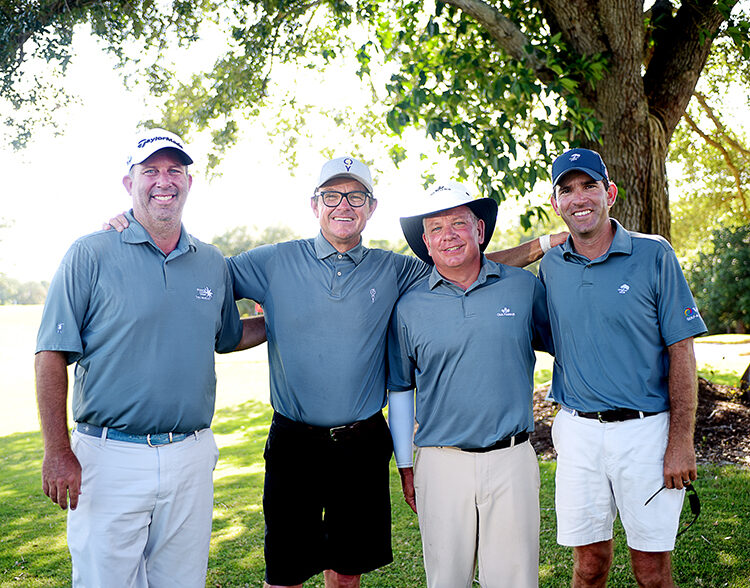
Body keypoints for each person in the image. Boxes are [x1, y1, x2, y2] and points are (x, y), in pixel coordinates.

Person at [108, 155, 565, 587]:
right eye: (331, 196)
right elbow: (198, 280)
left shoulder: (394, 270)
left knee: (348, 571)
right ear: (314, 205)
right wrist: (134, 230)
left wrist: (543, 244)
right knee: (284, 571)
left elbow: (465, 265)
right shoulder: (272, 261)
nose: (343, 206)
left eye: (355, 197)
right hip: (293, 440)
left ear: (371, 208)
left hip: (361, 442)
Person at [35, 128, 264, 587]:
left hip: (191, 455)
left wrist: (291, 321)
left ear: (188, 183)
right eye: (151, 171)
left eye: (174, 171)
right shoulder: (90, 253)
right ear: (129, 183)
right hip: (109, 456)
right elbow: (50, 355)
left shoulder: (211, 261)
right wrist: (57, 450)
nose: (164, 181)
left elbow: (229, 336)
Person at [539, 148, 708, 588]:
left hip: (646, 434)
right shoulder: (551, 266)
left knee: (651, 572)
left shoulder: (654, 254)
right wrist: (541, 244)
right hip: (578, 434)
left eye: (589, 186)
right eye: (567, 190)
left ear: (609, 192)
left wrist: (681, 442)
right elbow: (469, 265)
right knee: (589, 566)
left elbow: (682, 351)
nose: (579, 199)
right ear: (555, 203)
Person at [386, 181, 553, 588]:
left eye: (459, 223)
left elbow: (568, 348)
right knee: (446, 579)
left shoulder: (523, 287)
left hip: (511, 458)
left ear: (479, 230)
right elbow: (401, 389)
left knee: (515, 580)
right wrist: (406, 465)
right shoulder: (408, 306)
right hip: (441, 463)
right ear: (425, 242)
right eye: (437, 227)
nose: (449, 235)